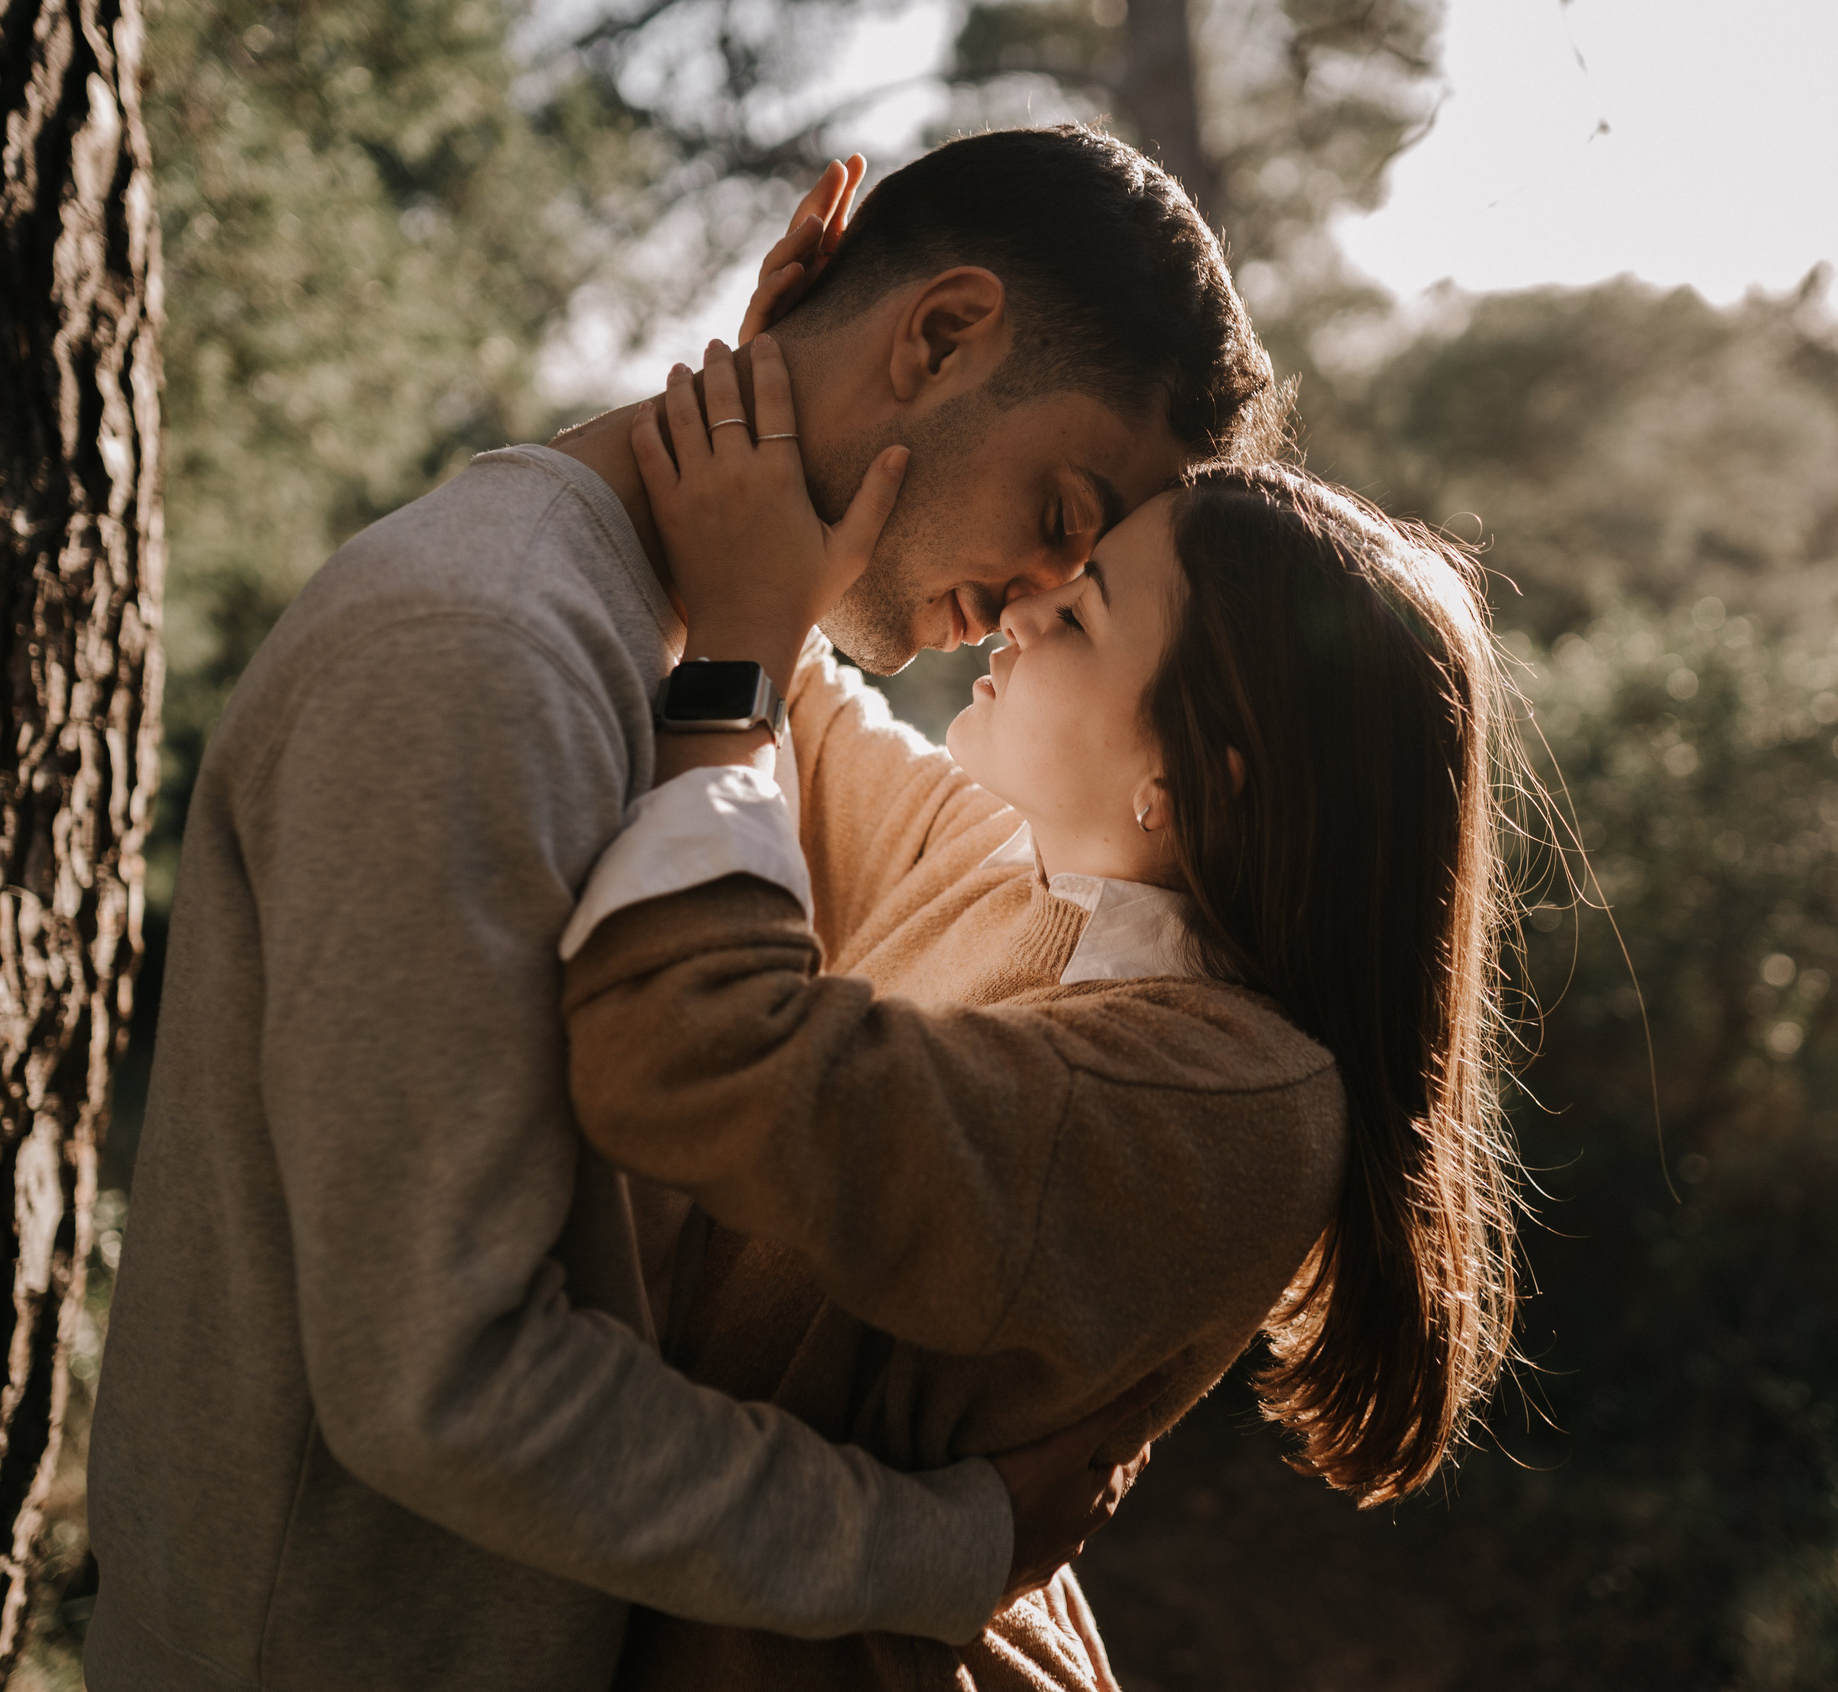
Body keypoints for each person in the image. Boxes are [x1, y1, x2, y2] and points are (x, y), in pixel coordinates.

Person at [85, 126, 1272, 1692]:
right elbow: (441, 1377)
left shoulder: (708, 653)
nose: (1043, 598)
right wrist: (943, 1551)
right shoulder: (474, 653)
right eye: (1063, 511)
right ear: (937, 335)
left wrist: (773, 421)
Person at [555, 343, 1525, 1687]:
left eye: (1080, 615)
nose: (1021, 610)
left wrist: (732, 659)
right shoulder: (1010, 871)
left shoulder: (1223, 1099)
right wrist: (802, 374)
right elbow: (789, 654)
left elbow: (688, 1060)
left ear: (1191, 780)